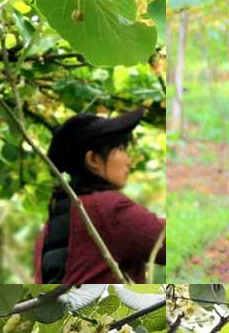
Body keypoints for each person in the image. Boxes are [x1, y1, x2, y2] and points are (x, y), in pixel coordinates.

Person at [34, 109, 166, 283]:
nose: (129, 161)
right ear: (93, 160)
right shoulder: (107, 209)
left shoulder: (51, 223)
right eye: (120, 149)